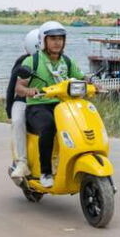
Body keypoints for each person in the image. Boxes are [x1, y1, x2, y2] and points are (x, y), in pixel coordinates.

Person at [15, 21, 86, 188]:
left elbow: (82, 77)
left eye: (61, 38)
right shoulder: (32, 62)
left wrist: (94, 83)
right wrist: (29, 91)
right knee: (48, 126)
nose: (57, 42)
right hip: (38, 106)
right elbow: (19, 87)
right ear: (43, 41)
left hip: (63, 105)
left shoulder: (67, 62)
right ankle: (46, 171)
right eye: (53, 38)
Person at [7, 29, 40, 182]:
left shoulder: (56, 61)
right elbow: (12, 86)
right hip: (23, 101)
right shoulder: (23, 62)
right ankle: (22, 161)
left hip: (47, 101)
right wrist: (9, 109)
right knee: (18, 121)